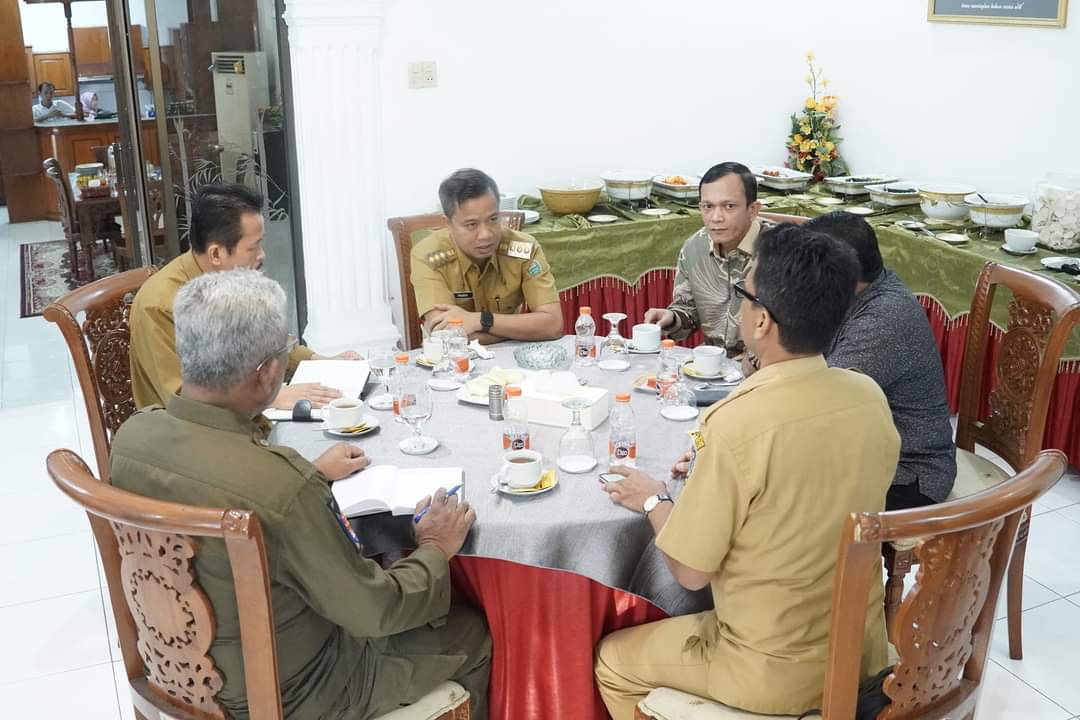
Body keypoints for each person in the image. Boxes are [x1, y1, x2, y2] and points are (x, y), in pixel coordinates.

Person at [111, 269, 491, 719]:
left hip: (177, 672)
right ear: (268, 371)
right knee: (471, 632)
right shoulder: (283, 486)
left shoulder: (132, 438)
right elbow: (375, 612)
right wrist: (434, 547)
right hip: (298, 694)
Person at [594, 224, 900, 718]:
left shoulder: (737, 422)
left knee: (612, 660)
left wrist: (654, 499)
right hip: (861, 652)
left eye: (744, 293)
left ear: (760, 322)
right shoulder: (868, 397)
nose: (740, 305)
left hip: (770, 668)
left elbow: (691, 573)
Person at [130, 183, 358, 410]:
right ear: (216, 253)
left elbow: (270, 345)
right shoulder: (158, 305)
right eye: (253, 247)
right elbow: (183, 399)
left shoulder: (233, 285)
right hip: (189, 433)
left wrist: (321, 361)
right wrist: (275, 397)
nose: (262, 255)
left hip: (241, 412)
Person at [804, 211, 956, 508]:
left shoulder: (883, 318)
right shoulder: (861, 289)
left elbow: (821, 401)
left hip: (907, 472)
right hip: (860, 448)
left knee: (778, 497)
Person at [410, 168, 563, 343]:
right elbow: (446, 336)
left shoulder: (524, 249)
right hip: (453, 361)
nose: (486, 234)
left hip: (511, 361)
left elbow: (552, 325)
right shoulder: (428, 256)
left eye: (493, 219)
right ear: (448, 224)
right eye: (471, 225)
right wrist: (517, 329)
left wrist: (481, 320)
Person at [643, 162, 770, 354]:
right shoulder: (695, 247)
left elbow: (796, 330)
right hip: (712, 366)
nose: (716, 217)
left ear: (753, 209)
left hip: (766, 370)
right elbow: (688, 310)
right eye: (708, 206)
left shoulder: (781, 252)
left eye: (729, 206)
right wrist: (672, 317)